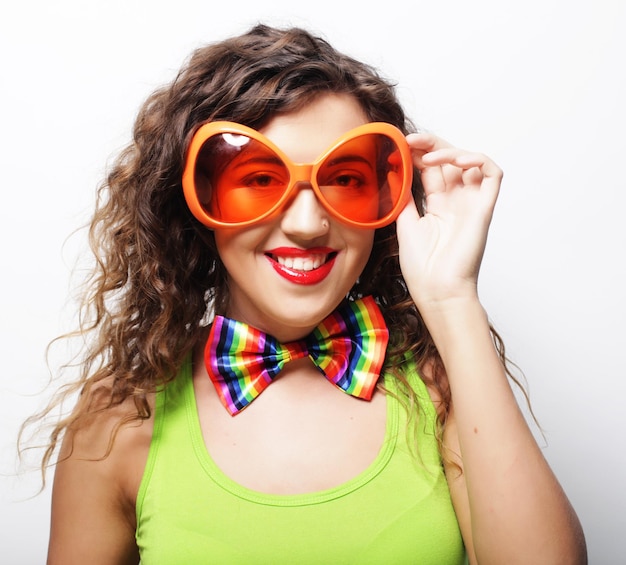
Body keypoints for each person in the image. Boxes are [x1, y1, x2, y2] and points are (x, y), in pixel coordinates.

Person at [35, 23, 586, 564]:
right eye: (259, 180)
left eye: (345, 179)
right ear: (196, 202)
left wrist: (451, 297)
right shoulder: (117, 421)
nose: (307, 224)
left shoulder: (439, 393)